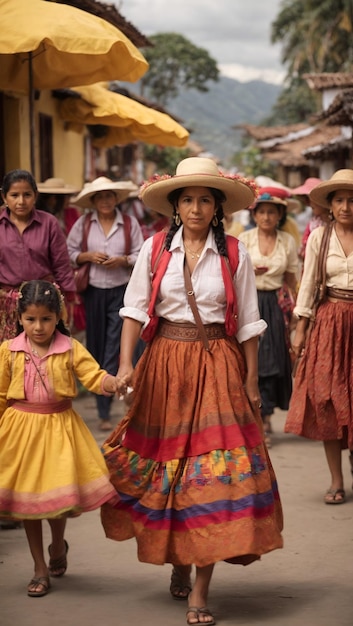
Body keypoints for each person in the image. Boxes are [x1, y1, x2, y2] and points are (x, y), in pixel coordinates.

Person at [100, 157, 283, 626]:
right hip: (163, 365)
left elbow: (246, 325)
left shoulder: (235, 254)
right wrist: (126, 365)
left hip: (218, 367)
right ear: (176, 206)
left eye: (206, 199)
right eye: (188, 199)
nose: (197, 207)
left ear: (217, 207)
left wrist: (248, 381)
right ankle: (179, 559)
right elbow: (135, 310)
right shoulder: (155, 249)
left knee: (216, 477)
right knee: (169, 473)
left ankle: (200, 590)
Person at [0, 280, 118, 597]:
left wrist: (112, 383)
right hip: (19, 434)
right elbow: (0, 395)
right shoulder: (8, 352)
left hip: (60, 431)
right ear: (19, 319)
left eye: (46, 319)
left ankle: (57, 546)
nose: (38, 327)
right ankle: (39, 567)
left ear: (58, 317)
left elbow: (93, 376)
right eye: (31, 319)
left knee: (56, 501)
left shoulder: (70, 348)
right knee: (28, 504)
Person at [285, 169, 353, 505]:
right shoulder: (319, 238)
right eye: (339, 200)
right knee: (327, 399)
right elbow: (309, 284)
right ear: (329, 205)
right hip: (328, 324)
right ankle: (336, 480)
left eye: (352, 200)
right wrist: (300, 329)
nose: (346, 206)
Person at [67, 177, 144, 431]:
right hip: (94, 292)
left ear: (116, 198)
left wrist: (122, 260)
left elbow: (140, 254)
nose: (105, 201)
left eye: (109, 196)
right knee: (97, 345)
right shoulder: (84, 224)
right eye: (100, 197)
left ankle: (116, 400)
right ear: (93, 201)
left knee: (114, 343)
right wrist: (88, 256)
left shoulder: (129, 223)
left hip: (121, 291)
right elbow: (69, 252)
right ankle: (104, 407)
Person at [239, 191, 298, 447]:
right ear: (254, 215)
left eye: (272, 212)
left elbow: (292, 277)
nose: (266, 216)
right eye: (261, 211)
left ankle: (267, 414)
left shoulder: (287, 241)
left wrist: (297, 311)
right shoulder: (244, 239)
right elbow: (231, 272)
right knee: (252, 361)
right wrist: (246, 271)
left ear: (280, 215)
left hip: (275, 304)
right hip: (248, 301)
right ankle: (258, 420)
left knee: (274, 361)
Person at [0, 169, 76, 344]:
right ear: (4, 197)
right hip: (6, 304)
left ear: (35, 195)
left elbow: (61, 264)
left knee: (44, 353)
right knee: (10, 354)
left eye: (27, 194)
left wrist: (69, 297)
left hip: (44, 300)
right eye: (14, 195)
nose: (21, 201)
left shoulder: (49, 223)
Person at [291, 177, 330, 261]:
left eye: (313, 199)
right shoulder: (313, 223)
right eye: (308, 199)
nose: (310, 203)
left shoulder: (337, 224)